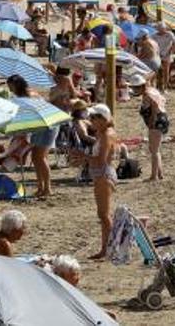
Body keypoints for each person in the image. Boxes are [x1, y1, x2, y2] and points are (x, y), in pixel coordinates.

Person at [72, 104, 118, 260]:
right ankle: (106, 249)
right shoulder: (102, 133)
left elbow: (100, 160)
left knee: (104, 215)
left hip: (103, 174)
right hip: (100, 174)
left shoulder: (106, 135)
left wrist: (82, 156)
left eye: (93, 117)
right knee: (103, 214)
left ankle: (111, 248)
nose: (90, 120)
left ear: (102, 119)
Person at [9, 74, 52, 198]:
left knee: (41, 157)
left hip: (46, 125)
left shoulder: (30, 96)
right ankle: (40, 187)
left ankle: (47, 188)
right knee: (35, 158)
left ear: (17, 85)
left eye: (11, 86)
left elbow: (33, 114)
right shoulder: (22, 96)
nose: (10, 89)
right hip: (37, 126)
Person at [134, 73, 168, 181]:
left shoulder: (147, 94)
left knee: (154, 150)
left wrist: (153, 119)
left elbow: (154, 105)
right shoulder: (153, 90)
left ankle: (154, 176)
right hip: (162, 119)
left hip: (156, 121)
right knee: (155, 149)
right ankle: (159, 173)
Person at [153, 23, 175, 89]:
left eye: (163, 29)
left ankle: (165, 87)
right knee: (158, 71)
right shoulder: (154, 35)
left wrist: (172, 50)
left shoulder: (169, 34)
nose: (162, 31)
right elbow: (152, 43)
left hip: (167, 54)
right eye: (160, 29)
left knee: (166, 71)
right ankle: (159, 85)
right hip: (158, 54)